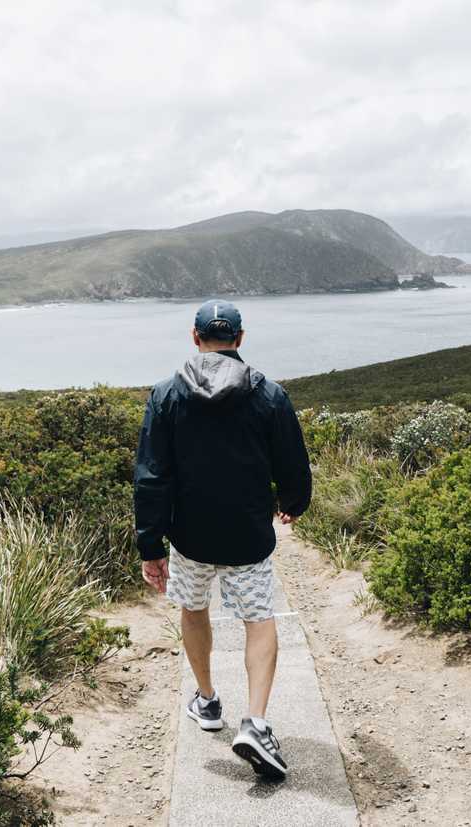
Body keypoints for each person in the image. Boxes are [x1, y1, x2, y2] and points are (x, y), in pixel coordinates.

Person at [133, 299, 312, 781]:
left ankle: (208, 702)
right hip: (249, 535)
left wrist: (150, 546)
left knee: (194, 610)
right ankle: (255, 723)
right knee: (259, 619)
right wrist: (293, 502)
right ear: (239, 338)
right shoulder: (269, 394)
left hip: (189, 536)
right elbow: (292, 461)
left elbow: (151, 476)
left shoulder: (166, 394)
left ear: (195, 338)